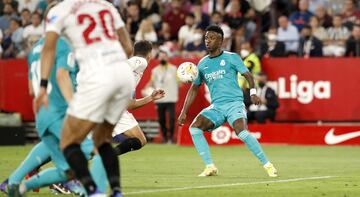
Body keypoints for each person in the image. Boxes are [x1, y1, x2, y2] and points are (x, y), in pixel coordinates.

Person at [34, 0, 134, 196]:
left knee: (68, 142)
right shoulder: (105, 5)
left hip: (97, 75)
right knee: (102, 139)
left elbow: (48, 48)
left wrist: (43, 86)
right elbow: (128, 47)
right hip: (124, 74)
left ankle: (91, 190)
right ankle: (116, 191)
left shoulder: (59, 10)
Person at [178, 25, 277, 177]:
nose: (207, 41)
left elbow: (248, 76)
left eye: (212, 38)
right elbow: (194, 88)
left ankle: (267, 165)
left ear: (221, 41)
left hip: (234, 103)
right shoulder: (202, 64)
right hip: (217, 107)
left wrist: (253, 93)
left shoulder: (232, 57)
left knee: (241, 132)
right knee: (194, 128)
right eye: (206, 38)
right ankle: (210, 166)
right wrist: (184, 111)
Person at [112, 40, 165, 155]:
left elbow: (131, 105)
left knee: (95, 144)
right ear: (150, 55)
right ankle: (106, 157)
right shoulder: (141, 62)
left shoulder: (134, 74)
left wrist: (151, 97)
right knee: (140, 140)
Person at [144, 49, 179, 144]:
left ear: (167, 57)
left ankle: (171, 138)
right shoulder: (155, 71)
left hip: (171, 98)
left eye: (164, 56)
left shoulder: (174, 69)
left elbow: (180, 83)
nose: (162, 57)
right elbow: (151, 83)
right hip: (159, 99)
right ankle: (164, 137)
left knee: (172, 119)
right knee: (161, 119)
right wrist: (146, 90)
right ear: (158, 58)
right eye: (161, 56)